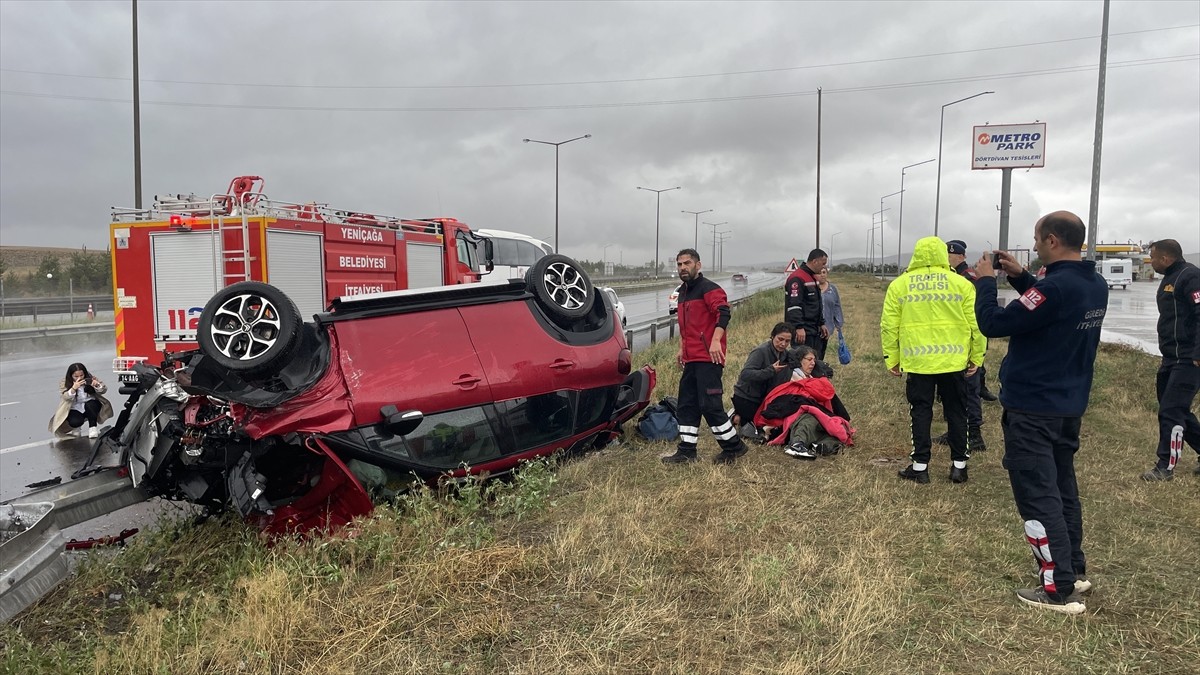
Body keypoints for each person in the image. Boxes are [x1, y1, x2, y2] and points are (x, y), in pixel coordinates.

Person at [974, 210, 1107, 614]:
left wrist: (985, 282)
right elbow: (1049, 307)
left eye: (1036, 239)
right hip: (1067, 405)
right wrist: (1020, 277)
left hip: (1033, 408)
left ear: (1052, 240)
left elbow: (993, 323)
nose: (1033, 246)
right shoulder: (1093, 283)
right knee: (1063, 489)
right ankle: (1073, 570)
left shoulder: (1054, 288)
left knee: (1037, 496)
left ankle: (1057, 589)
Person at [881, 235, 986, 485]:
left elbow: (889, 326)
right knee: (957, 412)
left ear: (916, 254)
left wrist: (892, 358)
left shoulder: (900, 285)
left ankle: (920, 467)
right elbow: (977, 324)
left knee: (920, 412)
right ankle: (959, 467)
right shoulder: (961, 284)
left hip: (919, 363)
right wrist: (977, 357)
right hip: (954, 361)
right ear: (942, 254)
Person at [663, 248, 750, 465]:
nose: (683, 267)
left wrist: (716, 341)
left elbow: (723, 313)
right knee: (686, 405)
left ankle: (734, 447)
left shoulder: (709, 288)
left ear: (698, 265)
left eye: (687, 263)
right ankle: (686, 450)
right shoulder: (682, 292)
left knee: (710, 405)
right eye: (680, 264)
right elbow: (686, 326)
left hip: (709, 358)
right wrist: (682, 348)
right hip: (691, 358)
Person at [1141, 238, 1200, 481]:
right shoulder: (1169, 278)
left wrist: (1198, 353)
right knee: (1175, 409)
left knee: (1171, 411)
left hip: (1189, 359)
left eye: (1153, 257)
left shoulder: (1190, 276)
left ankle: (1165, 466)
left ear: (1165, 258)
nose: (1151, 262)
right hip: (1170, 357)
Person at [933, 240, 989, 451]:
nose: (947, 258)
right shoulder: (950, 277)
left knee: (969, 389)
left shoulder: (967, 278)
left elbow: (975, 312)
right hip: (954, 342)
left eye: (950, 255)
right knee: (954, 391)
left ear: (961, 256)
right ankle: (956, 431)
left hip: (967, 341)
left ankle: (974, 435)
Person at [754, 345, 854, 460]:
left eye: (814, 360)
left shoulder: (812, 379)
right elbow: (784, 400)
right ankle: (797, 444)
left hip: (815, 416)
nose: (813, 363)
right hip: (792, 417)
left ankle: (821, 446)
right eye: (809, 359)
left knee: (834, 427)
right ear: (800, 360)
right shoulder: (790, 377)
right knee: (809, 419)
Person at [730, 322, 794, 432]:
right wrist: (770, 371)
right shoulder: (760, 351)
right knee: (756, 427)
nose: (783, 344)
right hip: (747, 397)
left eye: (787, 341)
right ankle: (735, 416)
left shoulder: (785, 354)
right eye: (780, 339)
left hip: (765, 398)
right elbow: (745, 374)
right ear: (773, 336)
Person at [48, 362, 113, 439]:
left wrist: (97, 385)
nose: (79, 378)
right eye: (76, 376)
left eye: (81, 375)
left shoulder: (91, 378)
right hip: (75, 407)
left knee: (90, 405)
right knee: (75, 421)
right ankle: (77, 427)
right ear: (71, 376)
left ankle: (92, 427)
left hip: (91, 404)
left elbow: (103, 390)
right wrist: (73, 388)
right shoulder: (65, 382)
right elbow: (65, 397)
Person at [785, 249, 828, 350]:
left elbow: (815, 304)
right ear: (815, 261)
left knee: (815, 358)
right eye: (823, 263)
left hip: (814, 330)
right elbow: (794, 305)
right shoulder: (797, 278)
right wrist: (798, 327)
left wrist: (821, 323)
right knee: (803, 358)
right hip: (803, 332)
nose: (824, 267)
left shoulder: (812, 277)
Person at [816, 268, 843, 362]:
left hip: (827, 327)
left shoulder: (832, 289)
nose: (822, 275)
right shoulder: (812, 287)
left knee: (821, 351)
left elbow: (837, 306)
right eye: (819, 272)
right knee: (813, 352)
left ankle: (819, 366)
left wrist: (838, 324)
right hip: (814, 327)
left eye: (824, 272)